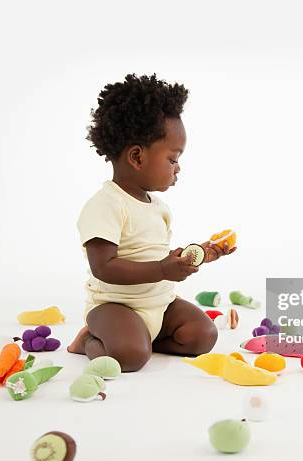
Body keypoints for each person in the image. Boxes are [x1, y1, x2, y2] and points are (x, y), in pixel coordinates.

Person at [67, 73, 236, 371]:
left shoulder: (159, 207)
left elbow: (159, 255)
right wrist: (161, 269)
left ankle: (143, 339)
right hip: (115, 307)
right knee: (129, 358)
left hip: (160, 302)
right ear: (136, 156)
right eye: (173, 159)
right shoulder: (105, 205)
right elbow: (103, 267)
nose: (178, 168)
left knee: (203, 336)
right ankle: (91, 342)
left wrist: (202, 254)